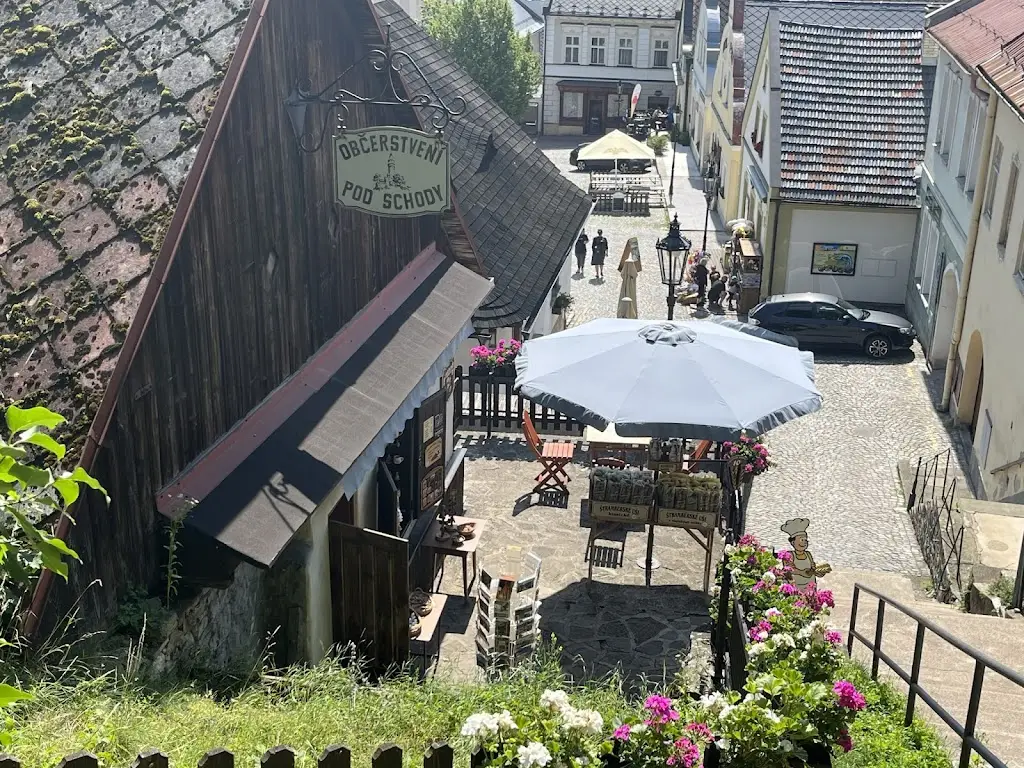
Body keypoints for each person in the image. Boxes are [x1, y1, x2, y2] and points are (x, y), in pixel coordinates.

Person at [780, 518, 832, 590]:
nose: (804, 542)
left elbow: (811, 567)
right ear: (793, 542)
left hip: (809, 584)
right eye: (801, 540)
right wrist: (801, 572)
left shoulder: (808, 554)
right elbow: (788, 570)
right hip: (796, 586)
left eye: (805, 540)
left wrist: (816, 569)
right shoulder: (789, 555)